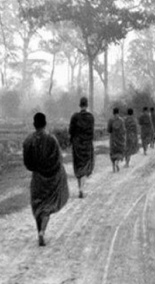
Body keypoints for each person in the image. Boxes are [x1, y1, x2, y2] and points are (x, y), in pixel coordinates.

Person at [23, 112, 69, 247]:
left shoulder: (28, 141)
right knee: (48, 206)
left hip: (37, 179)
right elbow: (58, 159)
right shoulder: (52, 139)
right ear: (45, 123)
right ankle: (42, 231)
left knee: (37, 204)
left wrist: (36, 169)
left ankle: (39, 231)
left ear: (34, 124)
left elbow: (27, 163)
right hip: (51, 178)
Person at [69, 96, 95, 198]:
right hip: (87, 144)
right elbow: (92, 133)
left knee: (78, 164)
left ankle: (80, 187)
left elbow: (71, 131)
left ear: (80, 105)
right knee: (85, 165)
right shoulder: (90, 117)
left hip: (77, 144)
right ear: (87, 105)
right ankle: (81, 189)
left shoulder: (74, 117)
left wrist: (73, 140)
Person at [107, 107, 126, 173]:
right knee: (120, 151)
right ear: (118, 113)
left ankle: (113, 168)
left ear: (113, 113)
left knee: (112, 152)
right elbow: (124, 130)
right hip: (120, 139)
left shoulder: (110, 120)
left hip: (113, 139)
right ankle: (117, 162)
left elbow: (109, 130)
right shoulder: (121, 120)